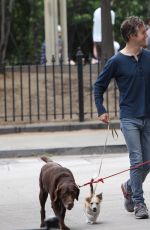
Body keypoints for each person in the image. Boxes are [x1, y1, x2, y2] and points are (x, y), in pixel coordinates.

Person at [94, 16, 150, 219]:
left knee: (147, 163)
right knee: (137, 160)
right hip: (129, 119)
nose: (146, 34)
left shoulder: (148, 56)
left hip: (148, 118)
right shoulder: (116, 61)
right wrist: (101, 109)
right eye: (143, 32)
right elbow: (98, 86)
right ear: (132, 36)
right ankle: (139, 204)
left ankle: (128, 186)